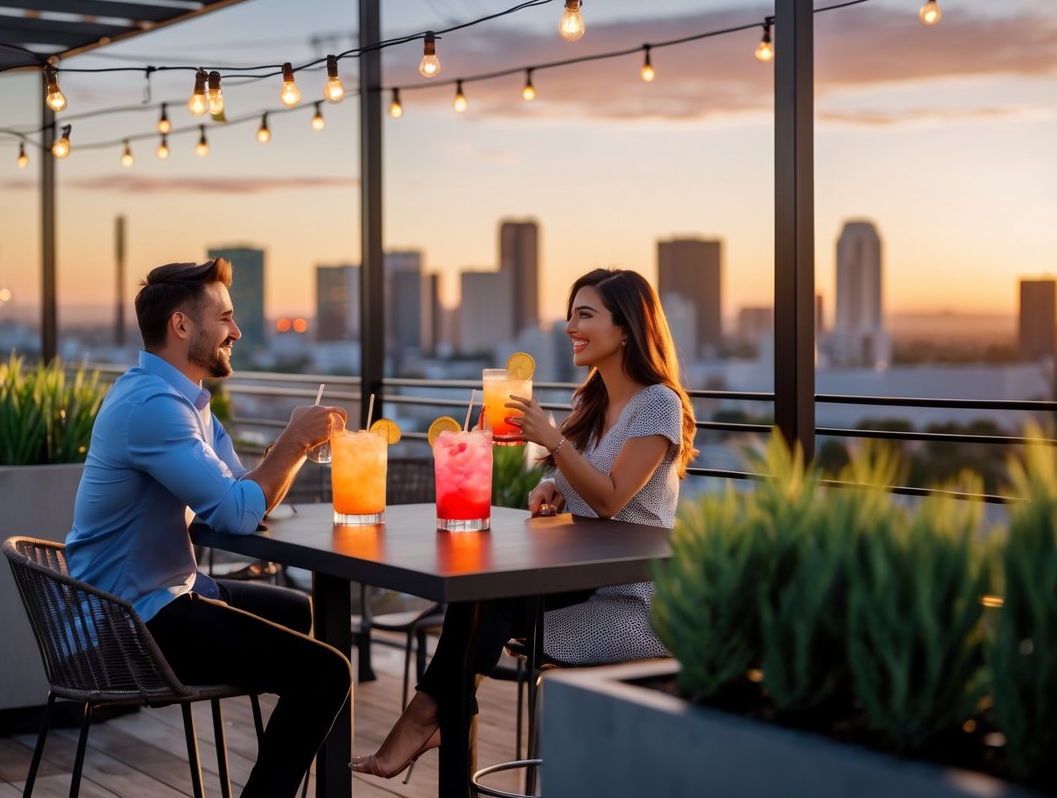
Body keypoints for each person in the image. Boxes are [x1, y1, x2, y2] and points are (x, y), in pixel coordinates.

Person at [350, 267, 697, 779]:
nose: (570, 326)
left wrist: (552, 441)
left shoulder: (657, 405)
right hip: (577, 577)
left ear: (626, 328)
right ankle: (440, 713)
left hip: (631, 598)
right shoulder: (591, 401)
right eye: (569, 314)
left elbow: (612, 501)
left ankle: (430, 714)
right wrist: (551, 488)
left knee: (492, 595)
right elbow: (583, 490)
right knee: (481, 589)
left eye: (585, 314)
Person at [66, 258, 352, 798]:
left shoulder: (187, 402)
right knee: (326, 674)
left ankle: (276, 761)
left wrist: (287, 453)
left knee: (300, 610)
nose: (236, 332)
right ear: (181, 325)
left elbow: (245, 493)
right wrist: (293, 442)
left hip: (159, 593)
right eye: (224, 318)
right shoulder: (153, 407)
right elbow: (238, 511)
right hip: (128, 620)